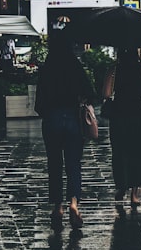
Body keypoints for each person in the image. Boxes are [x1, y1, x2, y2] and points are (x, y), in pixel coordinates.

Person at [33, 29, 95, 229]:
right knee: (73, 163)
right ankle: (74, 204)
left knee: (54, 165)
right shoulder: (75, 66)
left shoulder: (47, 69)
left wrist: (49, 113)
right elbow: (90, 92)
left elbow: (38, 104)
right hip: (73, 119)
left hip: (52, 119)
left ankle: (57, 208)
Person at [102, 47, 141, 208]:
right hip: (139, 114)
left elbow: (106, 93)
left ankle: (121, 187)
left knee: (120, 152)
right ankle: (134, 193)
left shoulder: (115, 69)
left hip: (119, 115)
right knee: (139, 153)